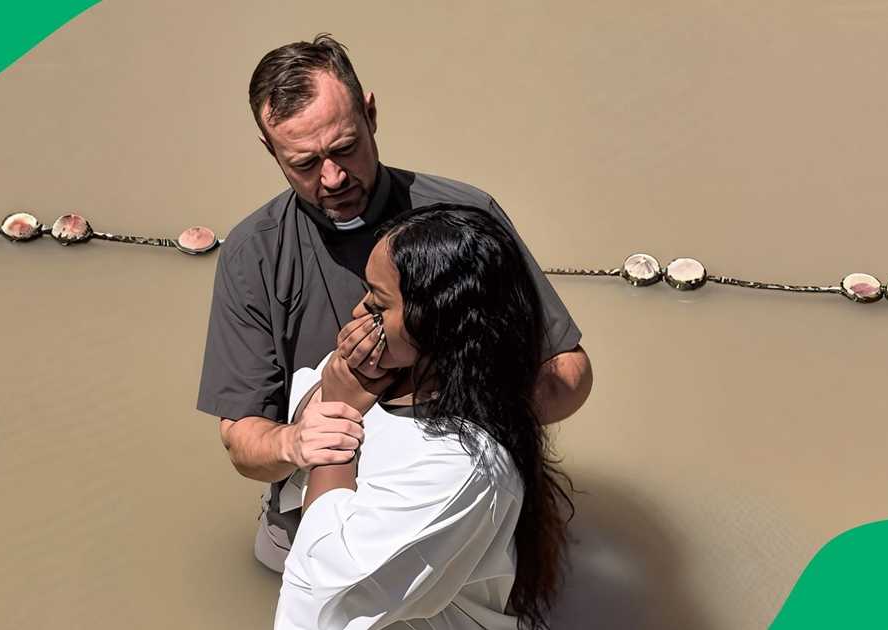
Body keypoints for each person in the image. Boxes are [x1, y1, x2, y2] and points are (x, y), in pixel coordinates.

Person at [196, 34, 593, 572]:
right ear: (271, 153)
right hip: (313, 517)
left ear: (371, 114)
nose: (332, 178)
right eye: (305, 164)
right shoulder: (252, 254)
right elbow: (242, 442)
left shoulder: (463, 216)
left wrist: (451, 424)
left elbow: (568, 373)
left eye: (344, 148)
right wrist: (300, 441)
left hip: (465, 509)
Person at [274, 205, 571, 630]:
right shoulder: (383, 372)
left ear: (436, 322)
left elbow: (321, 591)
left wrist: (335, 422)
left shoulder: (459, 464)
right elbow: (304, 397)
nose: (359, 314)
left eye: (378, 303)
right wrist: (334, 396)